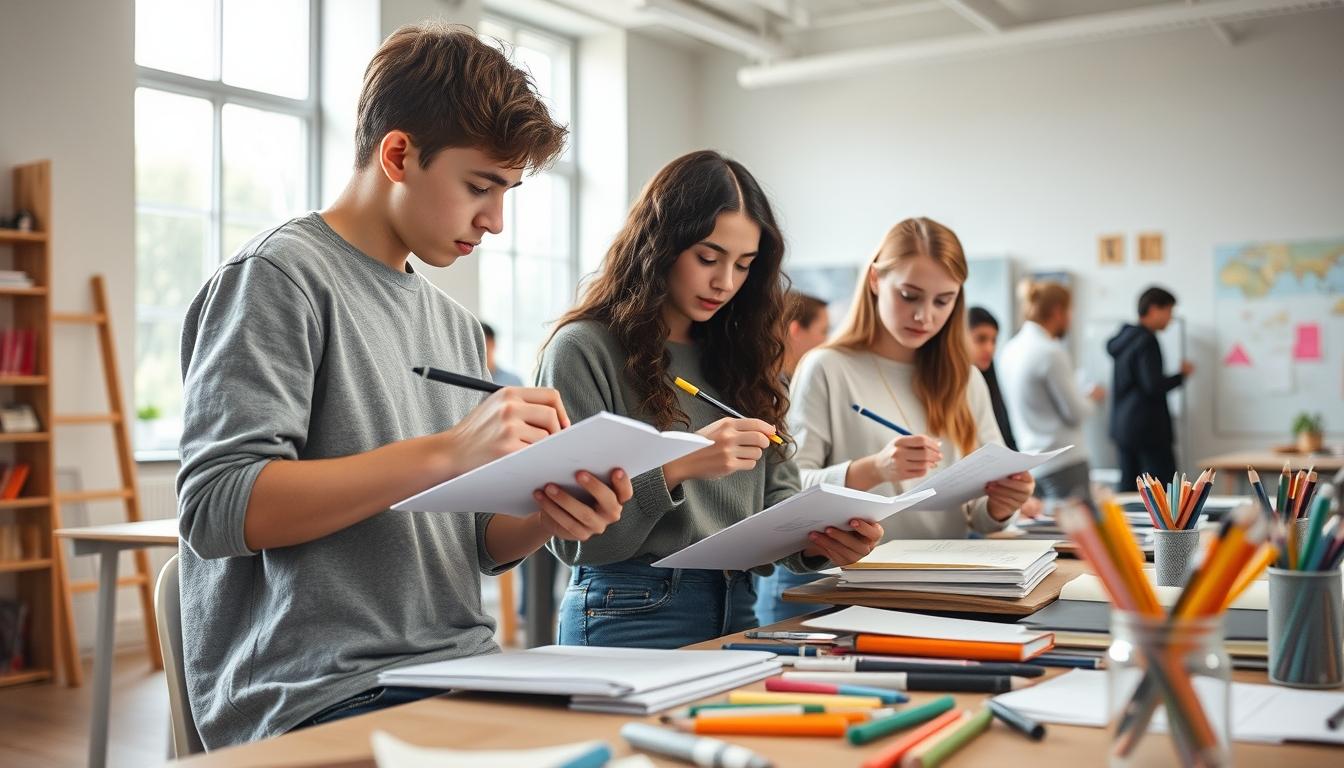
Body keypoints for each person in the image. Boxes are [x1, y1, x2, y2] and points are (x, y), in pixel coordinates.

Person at [175, 24, 634, 747]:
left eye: (507, 192)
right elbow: (217, 508)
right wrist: (447, 452)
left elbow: (475, 543)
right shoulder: (277, 279)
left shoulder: (455, 324)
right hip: (317, 691)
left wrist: (554, 513)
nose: (496, 221)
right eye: (480, 187)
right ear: (397, 156)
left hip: (462, 669)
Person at [535, 150, 883, 648]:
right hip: (628, 608)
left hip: (739, 603)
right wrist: (680, 464)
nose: (725, 282)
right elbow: (576, 540)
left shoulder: (745, 356)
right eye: (707, 258)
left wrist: (824, 541)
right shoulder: (584, 349)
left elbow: (777, 496)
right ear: (660, 245)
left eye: (744, 265)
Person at [789, 218, 1035, 540]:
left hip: (949, 567)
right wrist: (874, 469)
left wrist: (1002, 504)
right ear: (875, 279)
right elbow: (791, 492)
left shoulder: (966, 379)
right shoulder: (826, 368)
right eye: (909, 295)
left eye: (943, 301)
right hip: (857, 569)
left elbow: (981, 515)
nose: (924, 316)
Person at [753, 290, 832, 624]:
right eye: (823, 331)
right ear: (796, 330)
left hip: (790, 554)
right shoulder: (772, 384)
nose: (827, 341)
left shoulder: (777, 385)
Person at [998, 282, 1103, 500]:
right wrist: (1091, 398)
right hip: (1064, 462)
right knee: (1078, 524)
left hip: (1031, 462)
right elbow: (1075, 413)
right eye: (1070, 311)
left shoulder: (1009, 350)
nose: (1071, 318)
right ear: (1058, 311)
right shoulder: (1051, 352)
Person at [1107, 286, 1193, 485]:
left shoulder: (1124, 338)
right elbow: (1153, 386)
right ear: (1153, 309)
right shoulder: (1146, 340)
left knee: (1129, 486)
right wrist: (1181, 376)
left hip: (1124, 427)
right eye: (1168, 311)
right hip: (1148, 430)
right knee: (1162, 489)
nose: (1170, 319)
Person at [966, 306, 1017, 451]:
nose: (989, 348)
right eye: (981, 339)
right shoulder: (965, 382)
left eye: (994, 341)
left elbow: (1007, 438)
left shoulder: (991, 382)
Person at [480, 322, 523, 386]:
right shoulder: (466, 380)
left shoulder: (513, 381)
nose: (478, 347)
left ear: (493, 343)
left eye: (482, 341)